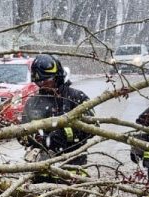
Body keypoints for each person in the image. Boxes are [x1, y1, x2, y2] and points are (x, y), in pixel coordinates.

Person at [19, 53, 94, 181]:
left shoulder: (76, 98)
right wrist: (35, 138)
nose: (43, 85)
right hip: (41, 171)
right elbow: (21, 132)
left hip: (72, 166)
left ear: (57, 77)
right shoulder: (33, 103)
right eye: (39, 82)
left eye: (46, 81)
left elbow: (92, 126)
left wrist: (63, 135)